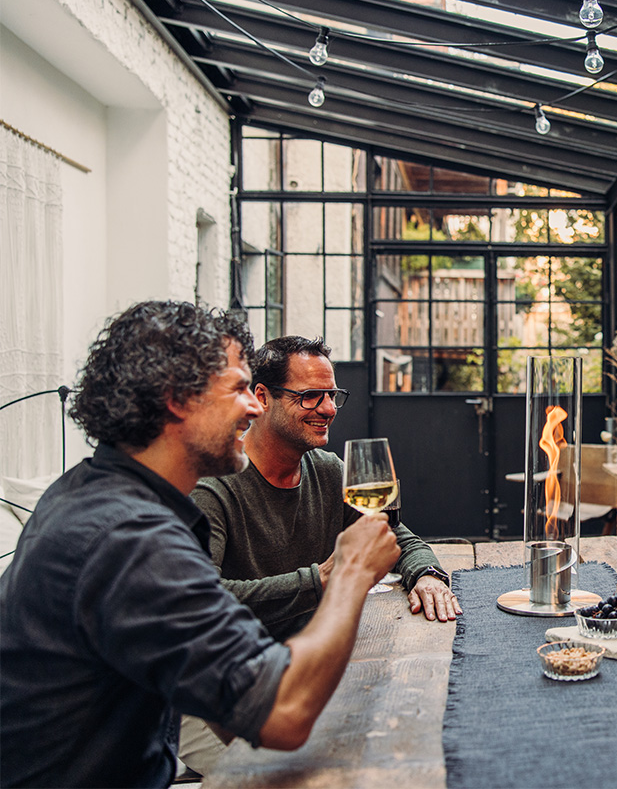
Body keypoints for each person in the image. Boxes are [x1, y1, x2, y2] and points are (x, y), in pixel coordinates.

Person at [0, 301, 400, 787]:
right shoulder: (129, 539)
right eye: (236, 389)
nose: (254, 406)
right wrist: (350, 572)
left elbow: (226, 687)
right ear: (177, 399)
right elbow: (285, 713)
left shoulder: (94, 492)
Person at [179, 335, 461, 775]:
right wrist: (324, 580)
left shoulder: (328, 470)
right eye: (310, 396)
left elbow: (393, 533)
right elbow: (202, 599)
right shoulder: (213, 486)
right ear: (261, 398)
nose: (328, 409)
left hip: (300, 668)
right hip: (217, 691)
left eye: (332, 395)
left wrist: (425, 572)